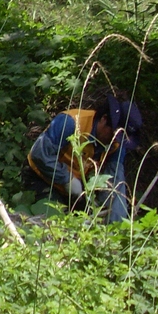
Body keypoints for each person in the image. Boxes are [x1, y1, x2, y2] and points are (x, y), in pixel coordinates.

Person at [25, 94, 142, 223]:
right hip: (41, 178)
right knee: (55, 220)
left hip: (77, 190)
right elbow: (39, 154)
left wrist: (114, 217)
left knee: (87, 221)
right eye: (113, 135)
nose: (114, 141)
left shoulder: (117, 144)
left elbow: (114, 180)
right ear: (104, 119)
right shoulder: (71, 122)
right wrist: (66, 179)